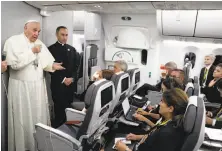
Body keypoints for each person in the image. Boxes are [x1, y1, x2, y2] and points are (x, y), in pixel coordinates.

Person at [4, 20, 65, 151]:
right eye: (34, 30)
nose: (37, 34)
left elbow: (44, 62)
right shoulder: (13, 41)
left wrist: (52, 65)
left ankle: (38, 146)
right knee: (23, 120)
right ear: (25, 28)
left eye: (39, 31)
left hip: (37, 87)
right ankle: (24, 147)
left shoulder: (38, 43)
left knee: (38, 116)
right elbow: (14, 64)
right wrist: (32, 51)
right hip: (21, 88)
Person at [114, 88, 188, 151]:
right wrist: (137, 137)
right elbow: (153, 138)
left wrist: (125, 149)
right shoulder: (168, 121)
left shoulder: (167, 134)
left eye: (162, 101)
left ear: (170, 108)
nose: (159, 103)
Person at [48, 26, 79, 128]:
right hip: (58, 85)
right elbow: (49, 68)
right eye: (62, 35)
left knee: (69, 108)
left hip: (70, 85)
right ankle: (59, 131)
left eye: (66, 35)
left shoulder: (72, 49)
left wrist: (73, 78)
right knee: (59, 110)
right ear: (57, 35)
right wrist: (63, 79)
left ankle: (69, 131)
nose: (65, 37)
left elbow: (77, 67)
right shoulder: (50, 50)